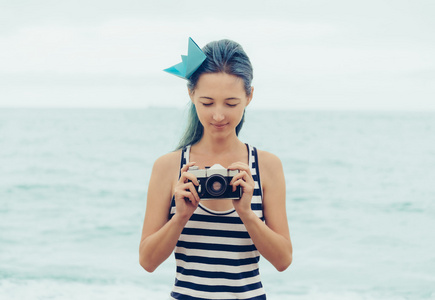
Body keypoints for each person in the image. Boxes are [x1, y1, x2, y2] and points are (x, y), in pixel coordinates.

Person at [139, 38, 292, 299]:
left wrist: (247, 213)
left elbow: (282, 260)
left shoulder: (267, 166)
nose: (219, 116)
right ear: (191, 95)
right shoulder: (169, 166)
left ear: (249, 96)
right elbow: (148, 261)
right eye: (207, 103)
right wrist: (180, 217)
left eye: (231, 103)